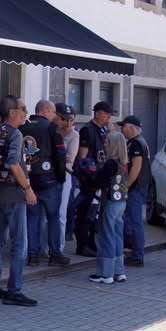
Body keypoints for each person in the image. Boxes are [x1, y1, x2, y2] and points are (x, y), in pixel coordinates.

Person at [0, 95, 38, 307]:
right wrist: (27, 188)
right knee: (19, 243)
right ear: (12, 112)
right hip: (14, 194)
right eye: (23, 108)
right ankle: (14, 290)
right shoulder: (15, 133)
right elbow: (14, 162)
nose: (26, 112)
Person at [21, 100, 69, 267]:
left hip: (28, 180)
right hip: (49, 180)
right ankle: (55, 254)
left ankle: (33, 255)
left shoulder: (23, 127)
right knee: (53, 217)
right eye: (54, 112)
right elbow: (60, 153)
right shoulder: (51, 127)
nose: (55, 116)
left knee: (32, 218)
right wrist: (61, 176)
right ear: (47, 111)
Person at [88, 132, 129, 284]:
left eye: (107, 142)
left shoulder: (111, 163)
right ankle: (119, 271)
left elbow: (98, 181)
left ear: (113, 145)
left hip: (110, 202)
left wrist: (92, 174)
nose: (104, 145)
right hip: (122, 202)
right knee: (118, 236)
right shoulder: (123, 164)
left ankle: (106, 273)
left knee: (106, 236)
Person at [74, 101, 113, 257]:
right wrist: (89, 176)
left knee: (94, 215)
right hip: (88, 179)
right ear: (97, 113)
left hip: (99, 177)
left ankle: (91, 242)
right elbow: (82, 157)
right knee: (84, 213)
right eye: (106, 113)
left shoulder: (103, 130)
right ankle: (82, 245)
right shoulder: (88, 130)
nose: (109, 116)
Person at [118, 116, 151, 268]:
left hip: (136, 187)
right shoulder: (136, 141)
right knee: (132, 219)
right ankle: (134, 250)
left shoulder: (137, 143)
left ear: (131, 127)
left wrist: (126, 186)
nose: (121, 129)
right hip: (138, 187)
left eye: (123, 126)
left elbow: (136, 167)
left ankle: (138, 255)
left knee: (135, 220)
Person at [54, 103, 79, 251]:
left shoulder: (74, 135)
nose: (68, 123)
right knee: (46, 214)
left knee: (61, 213)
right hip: (50, 176)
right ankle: (45, 247)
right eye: (64, 119)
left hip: (64, 175)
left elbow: (70, 158)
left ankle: (59, 247)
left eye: (70, 120)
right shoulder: (52, 131)